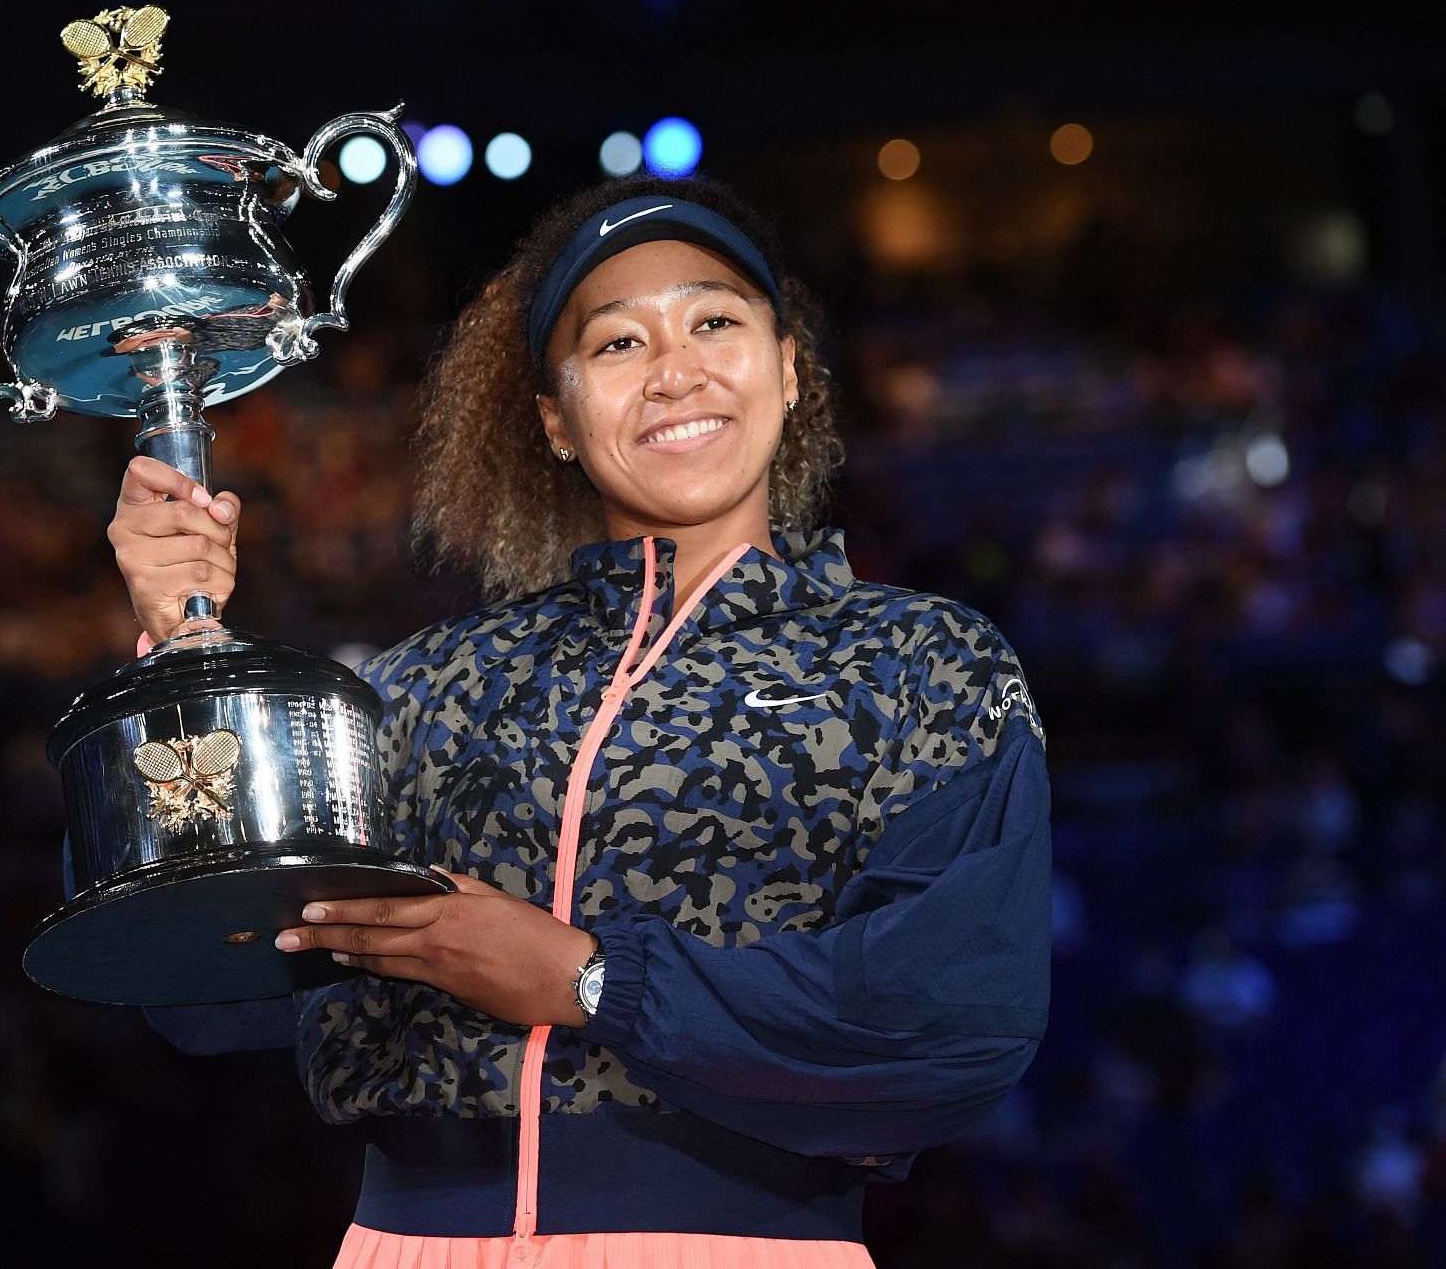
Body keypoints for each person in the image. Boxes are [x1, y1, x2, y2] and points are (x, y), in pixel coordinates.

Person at [107, 177, 1053, 1268]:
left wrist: (588, 979)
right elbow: (204, 982)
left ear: (789, 369)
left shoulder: (923, 666)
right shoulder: (422, 687)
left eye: (714, 321)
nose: (675, 369)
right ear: (554, 418)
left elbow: (950, 1020)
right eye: (616, 344)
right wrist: (182, 653)